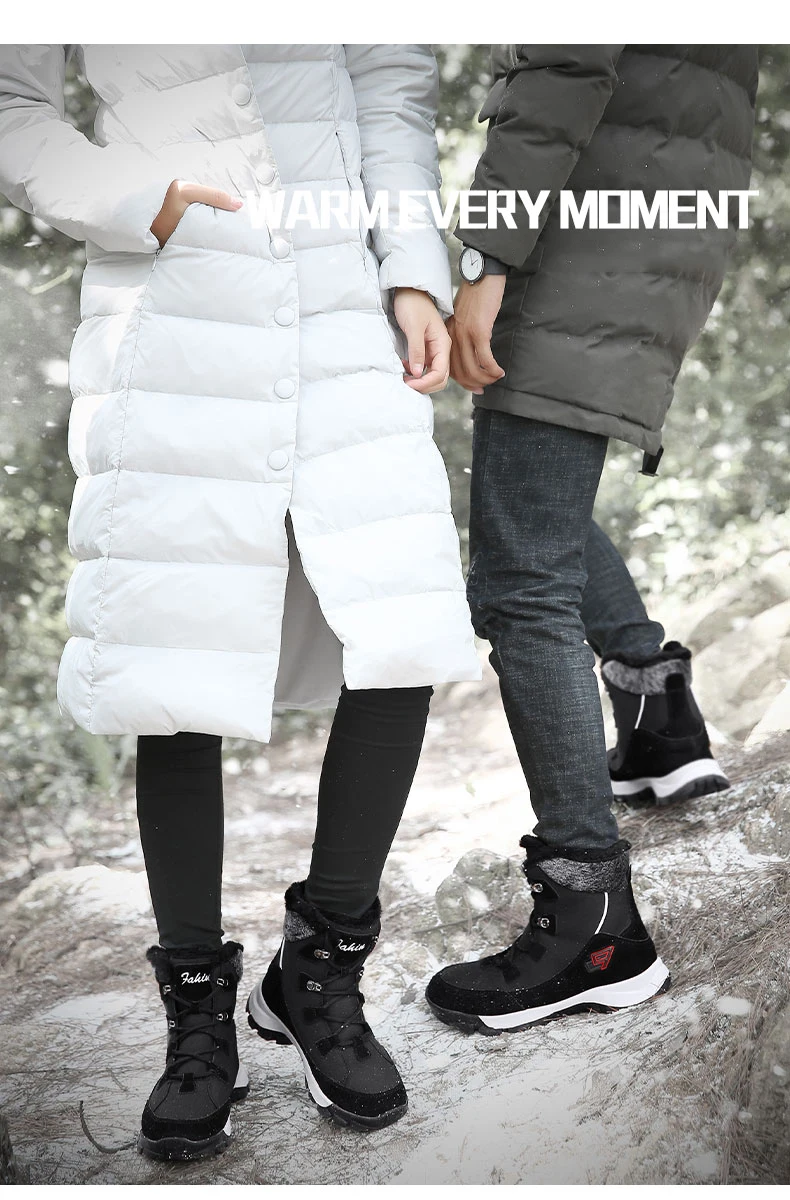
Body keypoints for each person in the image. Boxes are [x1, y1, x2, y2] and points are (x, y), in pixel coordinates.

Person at [0, 43, 481, 1157]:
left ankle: (319, 978)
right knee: (178, 662)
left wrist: (413, 269)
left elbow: (391, 83)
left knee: (398, 632)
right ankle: (196, 1019)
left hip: (348, 309)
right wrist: (139, 200)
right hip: (173, 310)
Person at [426, 45, 758, 1034]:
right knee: (532, 520)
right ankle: (659, 722)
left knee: (518, 580)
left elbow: (560, 74)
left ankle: (593, 927)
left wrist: (486, 255)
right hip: (650, 229)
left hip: (580, 238)